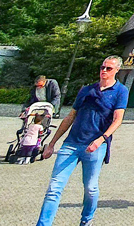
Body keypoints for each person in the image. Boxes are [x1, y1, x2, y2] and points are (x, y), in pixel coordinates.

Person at [34, 56, 127, 226]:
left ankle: (86, 221)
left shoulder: (121, 91)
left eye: (109, 68)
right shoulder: (86, 90)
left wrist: (101, 139)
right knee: (54, 189)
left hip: (95, 147)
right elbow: (71, 116)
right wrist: (52, 143)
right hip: (71, 144)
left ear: (117, 71)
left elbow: (117, 119)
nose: (104, 71)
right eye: (102, 67)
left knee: (90, 189)